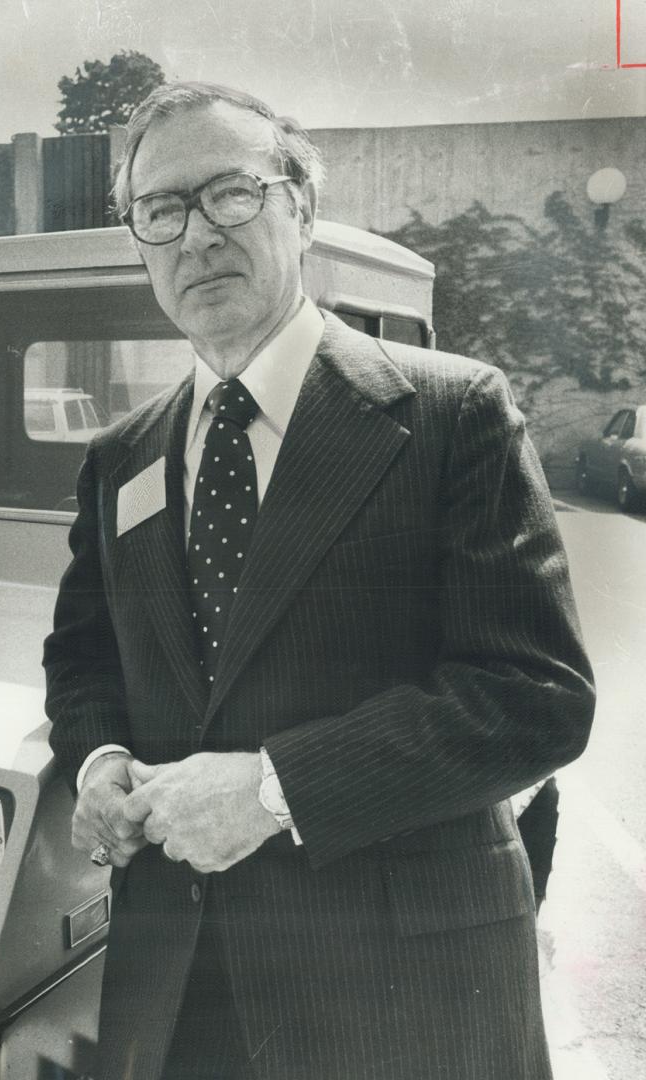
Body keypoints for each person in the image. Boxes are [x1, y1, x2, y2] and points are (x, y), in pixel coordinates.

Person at [42, 82, 595, 1080]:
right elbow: (83, 657)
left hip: (394, 996)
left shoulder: (450, 414)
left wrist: (269, 790)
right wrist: (98, 762)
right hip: (177, 982)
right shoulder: (121, 456)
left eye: (231, 196)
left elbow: (535, 700)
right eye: (161, 210)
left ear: (301, 206)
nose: (197, 235)